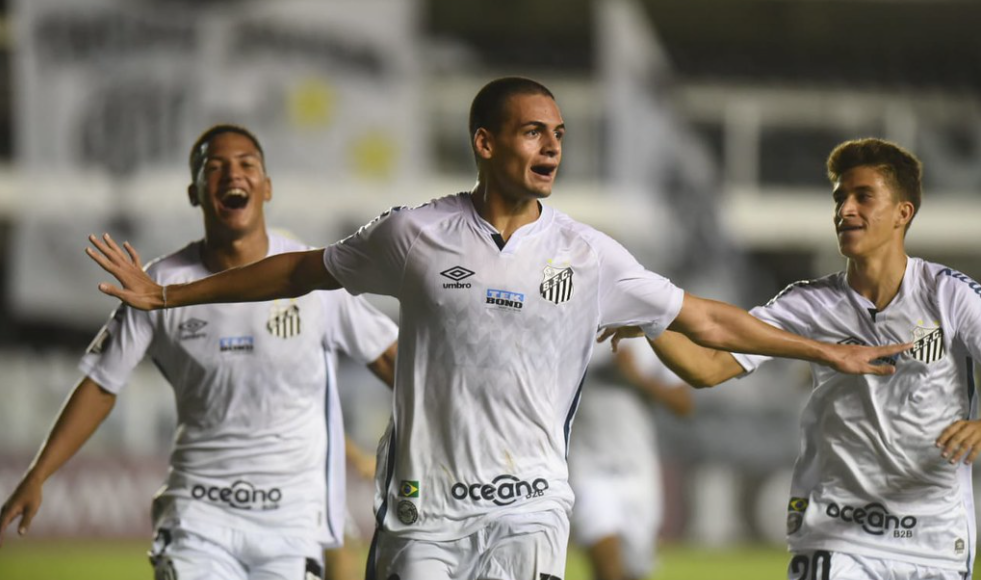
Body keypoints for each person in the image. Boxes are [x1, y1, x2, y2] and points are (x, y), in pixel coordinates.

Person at [80, 79, 909, 580]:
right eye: (531, 131)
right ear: (485, 143)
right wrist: (169, 298)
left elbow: (706, 319)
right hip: (422, 513)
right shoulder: (412, 235)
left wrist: (822, 348)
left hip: (529, 508)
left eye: (557, 134)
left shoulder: (588, 255)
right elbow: (299, 270)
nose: (550, 145)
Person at [0, 125, 399, 580]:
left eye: (247, 164)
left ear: (266, 187)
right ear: (195, 193)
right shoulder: (159, 285)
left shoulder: (313, 277)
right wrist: (38, 474)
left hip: (292, 520)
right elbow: (101, 383)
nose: (233, 174)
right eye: (215, 167)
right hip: (198, 515)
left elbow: (391, 360)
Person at [606, 138, 981, 580]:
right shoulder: (809, 304)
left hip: (934, 539)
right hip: (838, 533)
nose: (845, 210)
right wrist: (654, 320)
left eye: (864, 197)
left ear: (904, 212)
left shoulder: (950, 295)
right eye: (840, 197)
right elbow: (707, 367)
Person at [568, 337, 693, 580]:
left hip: (638, 470)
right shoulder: (577, 331)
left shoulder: (648, 339)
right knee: (608, 569)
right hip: (588, 467)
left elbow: (684, 404)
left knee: (635, 572)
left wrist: (637, 378)